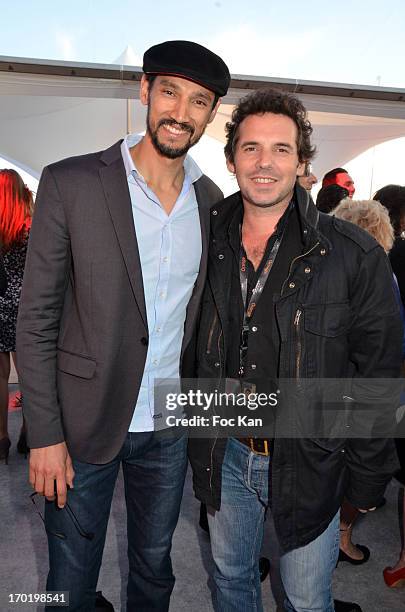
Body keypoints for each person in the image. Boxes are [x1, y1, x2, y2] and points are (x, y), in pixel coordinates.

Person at [16, 40, 230, 611]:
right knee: (70, 581)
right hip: (81, 428)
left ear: (211, 115)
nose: (181, 112)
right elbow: (35, 321)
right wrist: (44, 434)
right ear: (144, 91)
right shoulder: (72, 183)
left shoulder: (212, 203)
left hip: (167, 426)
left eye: (199, 101)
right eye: (169, 91)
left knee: (155, 571)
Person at [188, 88, 401, 612]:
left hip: (311, 460)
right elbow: (192, 346)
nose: (265, 163)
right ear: (233, 158)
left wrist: (368, 474)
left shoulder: (354, 255)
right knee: (230, 581)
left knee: (307, 600)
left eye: (281, 149)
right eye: (251, 148)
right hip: (226, 448)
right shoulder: (206, 237)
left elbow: (377, 371)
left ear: (303, 161)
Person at [0, 169, 33, 464]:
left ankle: (0, 439)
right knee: (29, 378)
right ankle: (27, 435)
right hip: (25, 311)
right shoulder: (30, 228)